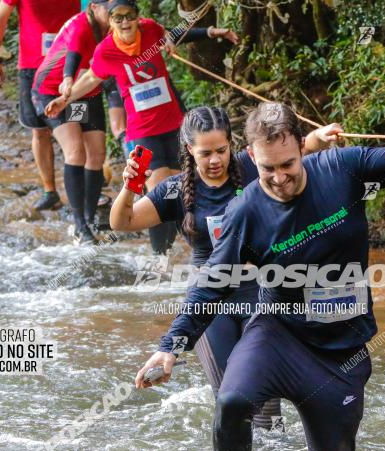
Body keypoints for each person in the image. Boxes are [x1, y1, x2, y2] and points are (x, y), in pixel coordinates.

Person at [134, 102, 385, 451]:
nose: (279, 178)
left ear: (302, 148)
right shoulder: (245, 209)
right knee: (232, 400)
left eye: (288, 165)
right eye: (267, 169)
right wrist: (171, 346)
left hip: (342, 350)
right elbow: (212, 284)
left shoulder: (341, 168)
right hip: (278, 334)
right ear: (251, 157)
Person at [111, 106, 343, 429]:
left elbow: (296, 150)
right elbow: (123, 221)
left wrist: (319, 136)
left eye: (222, 150)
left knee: (267, 406)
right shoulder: (175, 190)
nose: (216, 160)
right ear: (190, 150)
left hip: (258, 293)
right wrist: (130, 187)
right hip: (210, 300)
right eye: (206, 153)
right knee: (232, 402)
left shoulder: (249, 168)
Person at [44, 0, 239, 254]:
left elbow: (174, 35)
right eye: (118, 18)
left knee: (181, 189)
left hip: (174, 125)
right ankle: (160, 258)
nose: (125, 23)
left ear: (138, 16)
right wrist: (64, 100)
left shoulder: (151, 31)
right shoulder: (106, 50)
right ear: (110, 22)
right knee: (161, 190)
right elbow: (91, 77)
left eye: (129, 16)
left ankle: (192, 252)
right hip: (143, 132)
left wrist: (212, 32)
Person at [31, 0, 112, 245]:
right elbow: (74, 55)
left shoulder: (119, 24)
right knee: (75, 151)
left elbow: (153, 33)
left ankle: (89, 218)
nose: (115, 14)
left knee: (96, 154)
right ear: (94, 7)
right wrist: (67, 78)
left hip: (83, 95)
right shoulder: (81, 25)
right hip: (53, 93)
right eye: (109, 9)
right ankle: (79, 225)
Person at [0, 0, 80, 211]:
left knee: (80, 127)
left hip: (71, 66)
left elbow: (98, 12)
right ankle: (50, 191)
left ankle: (84, 187)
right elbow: (0, 17)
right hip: (32, 67)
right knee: (39, 131)